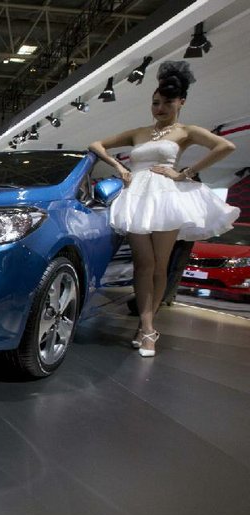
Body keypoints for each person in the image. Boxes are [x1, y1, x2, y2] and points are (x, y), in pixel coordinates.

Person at [89, 61, 239, 357]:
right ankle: (147, 328)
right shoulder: (138, 132)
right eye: (155, 102)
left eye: (167, 102)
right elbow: (96, 144)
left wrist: (184, 173)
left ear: (181, 102)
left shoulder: (186, 131)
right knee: (143, 264)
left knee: (159, 265)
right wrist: (120, 167)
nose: (160, 108)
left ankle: (147, 327)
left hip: (166, 198)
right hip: (136, 198)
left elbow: (225, 147)